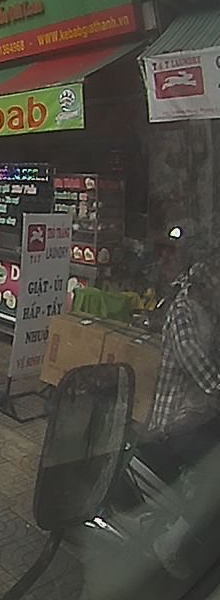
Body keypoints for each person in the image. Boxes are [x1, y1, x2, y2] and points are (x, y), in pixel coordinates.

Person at [145, 242, 220, 577]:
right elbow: (200, 366)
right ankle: (170, 542)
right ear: (202, 287)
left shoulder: (209, 313)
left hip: (202, 414)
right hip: (176, 422)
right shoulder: (182, 312)